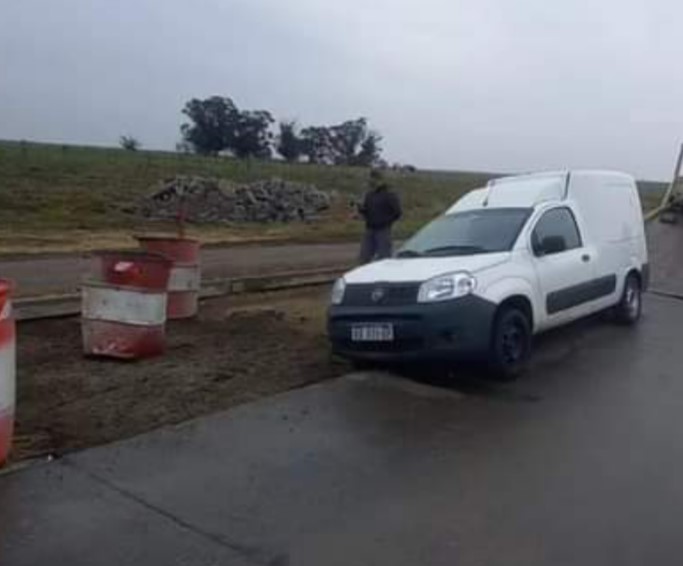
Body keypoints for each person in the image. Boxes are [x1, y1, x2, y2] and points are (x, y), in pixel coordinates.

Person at [357, 169, 402, 264]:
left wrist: (386, 222)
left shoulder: (389, 195)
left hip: (383, 230)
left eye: (374, 179)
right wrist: (361, 210)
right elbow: (367, 211)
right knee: (364, 257)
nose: (371, 181)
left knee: (384, 257)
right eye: (370, 179)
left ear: (380, 180)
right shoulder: (369, 195)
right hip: (369, 229)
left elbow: (397, 212)